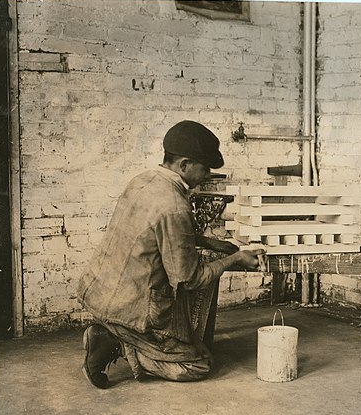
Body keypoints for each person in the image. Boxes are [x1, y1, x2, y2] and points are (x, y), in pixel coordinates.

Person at [77, 120, 263, 389]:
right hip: (134, 306)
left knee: (192, 339)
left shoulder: (142, 181)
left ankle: (113, 333)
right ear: (185, 165)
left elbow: (157, 230)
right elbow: (189, 278)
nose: (208, 174)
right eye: (205, 168)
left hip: (103, 291)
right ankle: (117, 343)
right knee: (198, 363)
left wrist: (210, 243)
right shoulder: (176, 204)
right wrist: (235, 259)